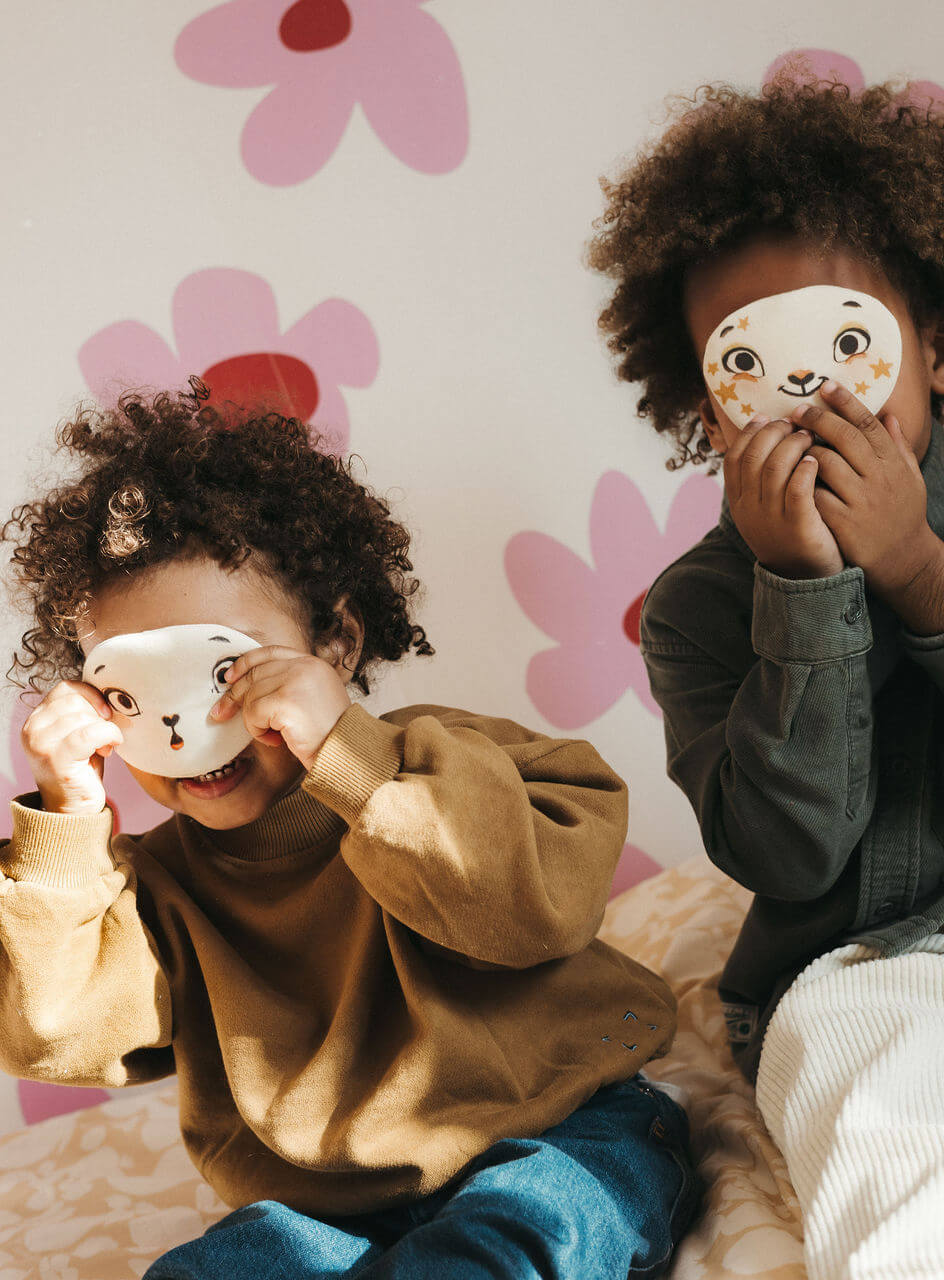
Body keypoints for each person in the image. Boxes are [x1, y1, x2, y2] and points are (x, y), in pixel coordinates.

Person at [0, 389, 699, 1280]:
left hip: (557, 1127)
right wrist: (64, 825)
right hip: (322, 1209)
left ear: (334, 643)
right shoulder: (151, 892)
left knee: (507, 1241)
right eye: (132, 692)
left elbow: (530, 912)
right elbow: (56, 1035)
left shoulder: (457, 762)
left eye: (223, 669)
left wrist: (355, 765)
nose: (183, 727)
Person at [589, 78, 944, 1277]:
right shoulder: (695, 607)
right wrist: (804, 589)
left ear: (940, 353)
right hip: (867, 963)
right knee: (898, 1116)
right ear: (709, 407)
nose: (812, 396)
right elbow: (789, 856)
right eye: (753, 364)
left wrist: (922, 571)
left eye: (845, 346)